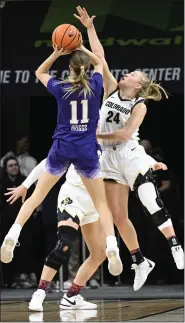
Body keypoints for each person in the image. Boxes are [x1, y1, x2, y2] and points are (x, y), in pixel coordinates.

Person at [74, 6, 184, 290]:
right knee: (118, 216)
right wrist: (88, 30)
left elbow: (124, 134)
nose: (127, 73)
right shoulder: (110, 88)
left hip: (129, 152)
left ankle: (174, 245)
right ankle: (140, 260)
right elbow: (100, 57)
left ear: (138, 85)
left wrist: (93, 135)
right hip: (108, 159)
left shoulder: (140, 105)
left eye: (134, 73)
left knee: (147, 198)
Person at [0, 40, 122, 277]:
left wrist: (57, 52)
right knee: (100, 204)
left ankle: (13, 234)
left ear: (70, 69)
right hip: (86, 150)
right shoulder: (96, 85)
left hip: (62, 147)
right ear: (87, 69)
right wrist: (83, 47)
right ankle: (112, 245)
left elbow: (39, 72)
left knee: (36, 196)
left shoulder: (61, 88)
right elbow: (100, 62)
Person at [5, 155, 165, 310]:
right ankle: (40, 293)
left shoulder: (113, 145)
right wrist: (26, 184)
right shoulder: (81, 138)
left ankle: (71, 296)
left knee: (99, 253)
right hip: (73, 195)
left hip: (95, 201)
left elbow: (132, 154)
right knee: (65, 244)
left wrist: (150, 163)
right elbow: (49, 161)